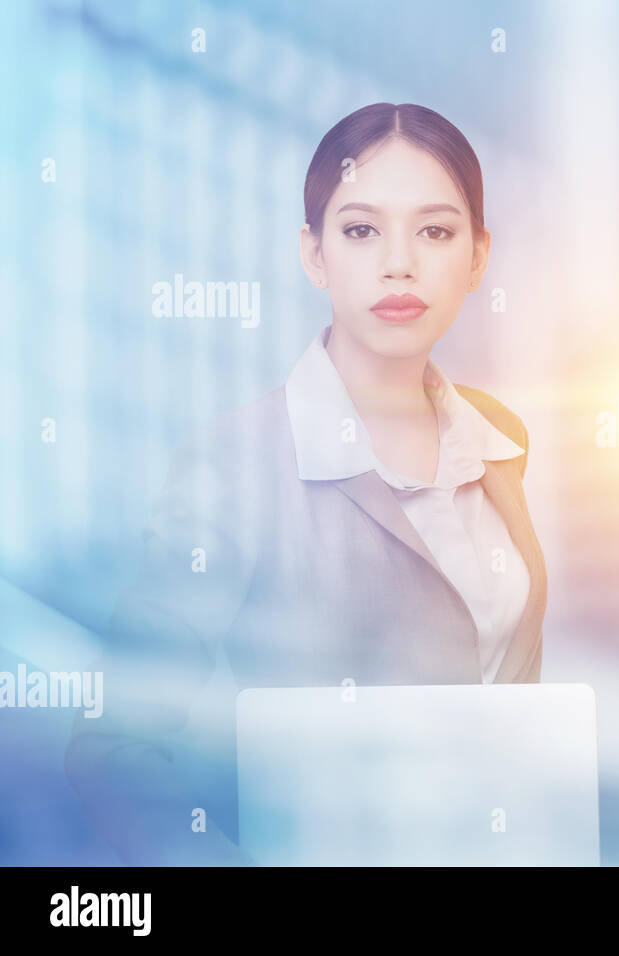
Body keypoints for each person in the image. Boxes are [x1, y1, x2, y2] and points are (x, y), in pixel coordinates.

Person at [64, 103, 547, 865]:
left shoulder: (498, 442)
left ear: (479, 256)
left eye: (435, 231)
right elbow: (119, 749)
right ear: (314, 255)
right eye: (360, 231)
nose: (400, 264)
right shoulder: (236, 462)